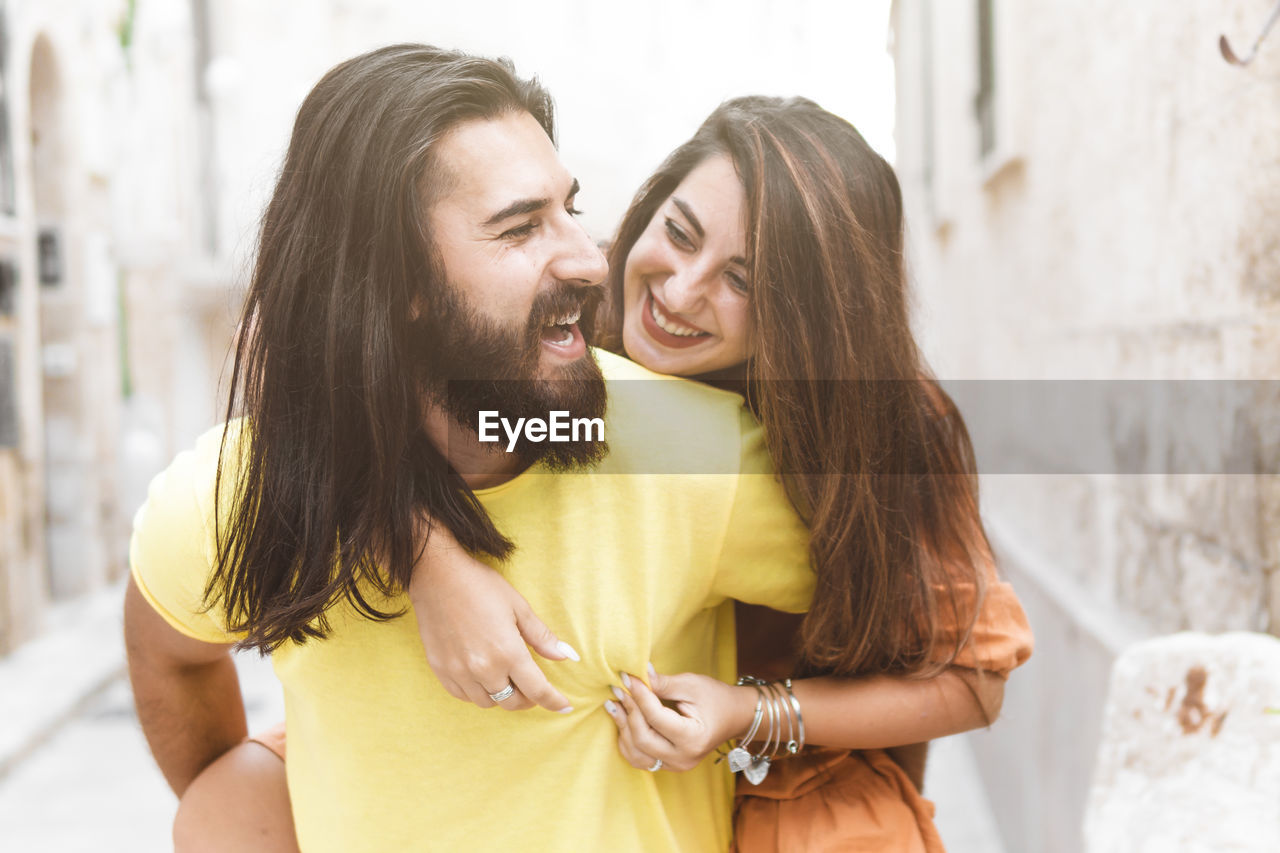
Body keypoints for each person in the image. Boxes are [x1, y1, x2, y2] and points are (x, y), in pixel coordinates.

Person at [124, 46, 817, 853]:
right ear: (395, 285)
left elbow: (928, 649)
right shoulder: (241, 487)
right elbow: (166, 650)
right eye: (521, 227)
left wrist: (770, 725)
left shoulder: (697, 453)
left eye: (570, 208)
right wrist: (253, 815)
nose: (593, 261)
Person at [409, 96, 1034, 851]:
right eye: (678, 233)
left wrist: (750, 713)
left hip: (781, 779)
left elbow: (974, 678)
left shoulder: (884, 428)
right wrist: (425, 557)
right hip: (541, 740)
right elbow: (320, 366)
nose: (679, 292)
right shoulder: (561, 308)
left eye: (744, 280)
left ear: (812, 318)